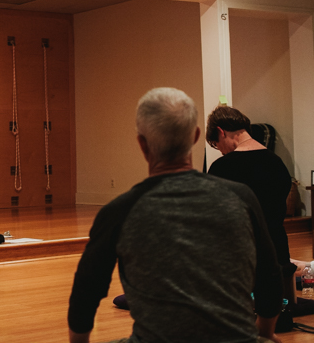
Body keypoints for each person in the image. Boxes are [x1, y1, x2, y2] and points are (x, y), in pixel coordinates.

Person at [68, 88, 283, 343]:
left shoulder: (119, 211)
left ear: (141, 143)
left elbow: (86, 292)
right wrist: (265, 335)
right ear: (195, 137)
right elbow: (270, 276)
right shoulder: (242, 197)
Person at [206, 105, 306, 305]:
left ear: (220, 131)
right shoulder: (277, 163)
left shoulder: (221, 168)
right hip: (277, 252)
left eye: (217, 145)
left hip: (238, 259)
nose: (221, 151)